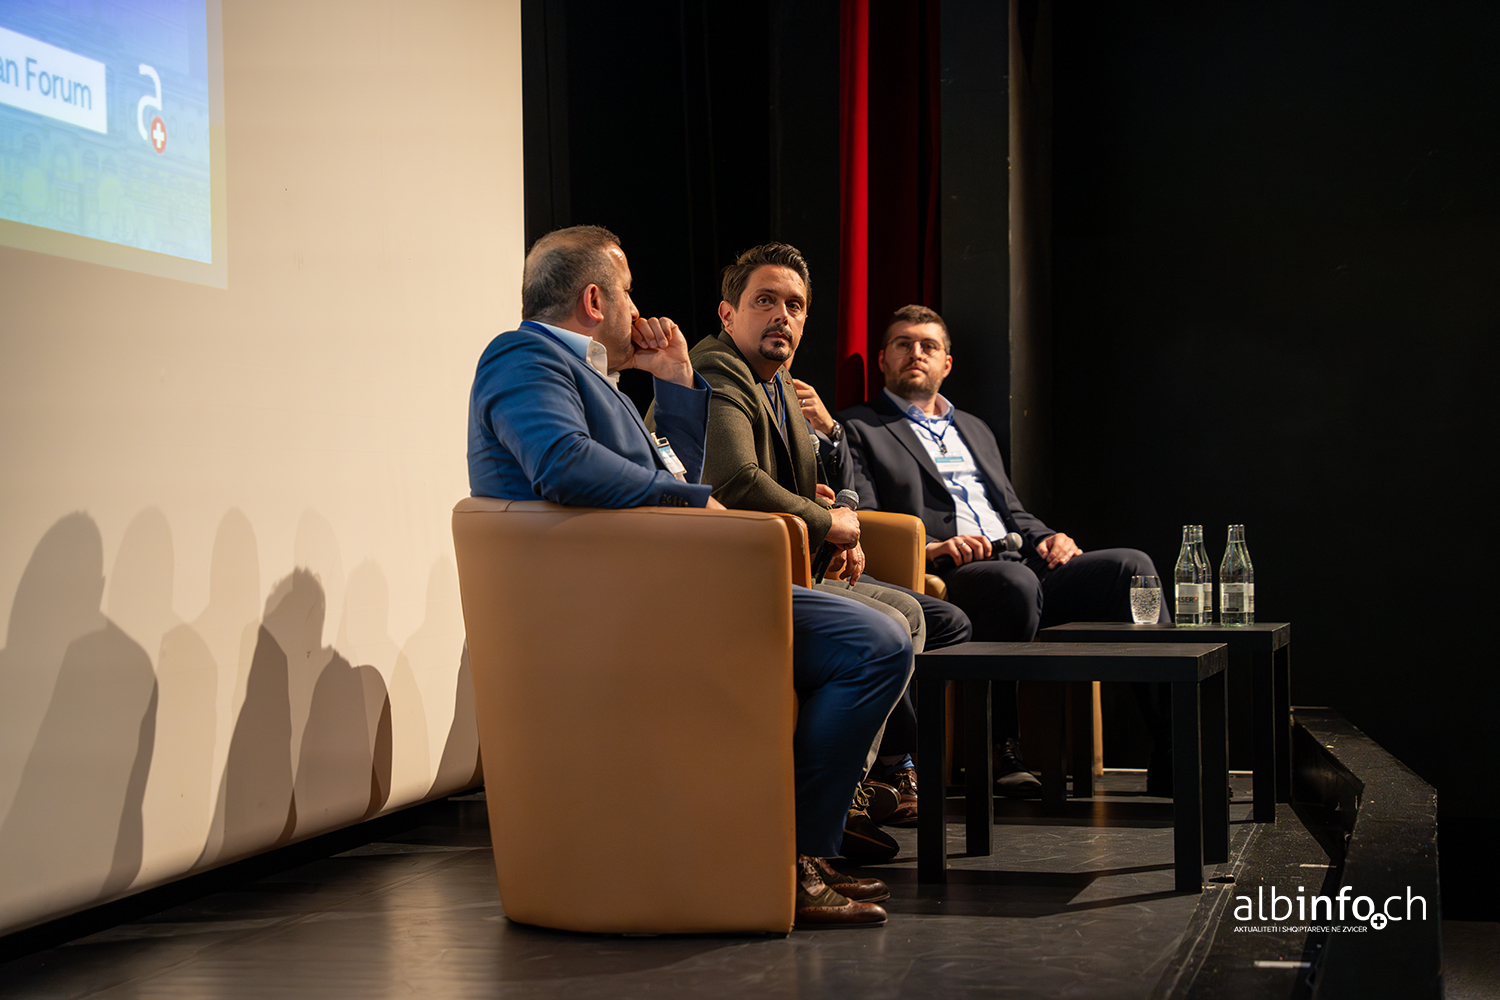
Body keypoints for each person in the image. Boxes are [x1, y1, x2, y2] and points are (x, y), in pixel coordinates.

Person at [468, 226, 910, 927]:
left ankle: (797, 855)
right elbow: (563, 464)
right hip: (618, 608)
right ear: (594, 301)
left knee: (880, 633)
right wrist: (694, 503)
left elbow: (673, 468)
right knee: (873, 642)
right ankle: (791, 857)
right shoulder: (521, 357)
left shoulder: (600, 380)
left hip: (661, 590)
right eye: (628, 292)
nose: (637, 308)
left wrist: (674, 382)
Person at [651, 244, 970, 850]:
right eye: (765, 301)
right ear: (728, 314)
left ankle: (849, 793)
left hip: (782, 559)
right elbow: (735, 482)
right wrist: (827, 524)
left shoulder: (778, 381)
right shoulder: (718, 368)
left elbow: (800, 482)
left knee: (913, 613)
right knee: (895, 622)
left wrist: (828, 511)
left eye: (794, 305)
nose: (782, 316)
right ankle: (827, 808)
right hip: (728, 575)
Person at [840, 304, 1172, 795]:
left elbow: (1011, 510)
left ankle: (1172, 751)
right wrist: (933, 547)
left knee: (1131, 566)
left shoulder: (973, 427)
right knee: (1012, 583)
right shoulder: (859, 426)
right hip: (953, 572)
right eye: (903, 344)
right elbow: (867, 518)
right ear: (883, 359)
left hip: (1020, 560)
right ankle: (999, 749)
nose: (916, 353)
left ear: (946, 363)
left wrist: (1049, 537)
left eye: (928, 345)